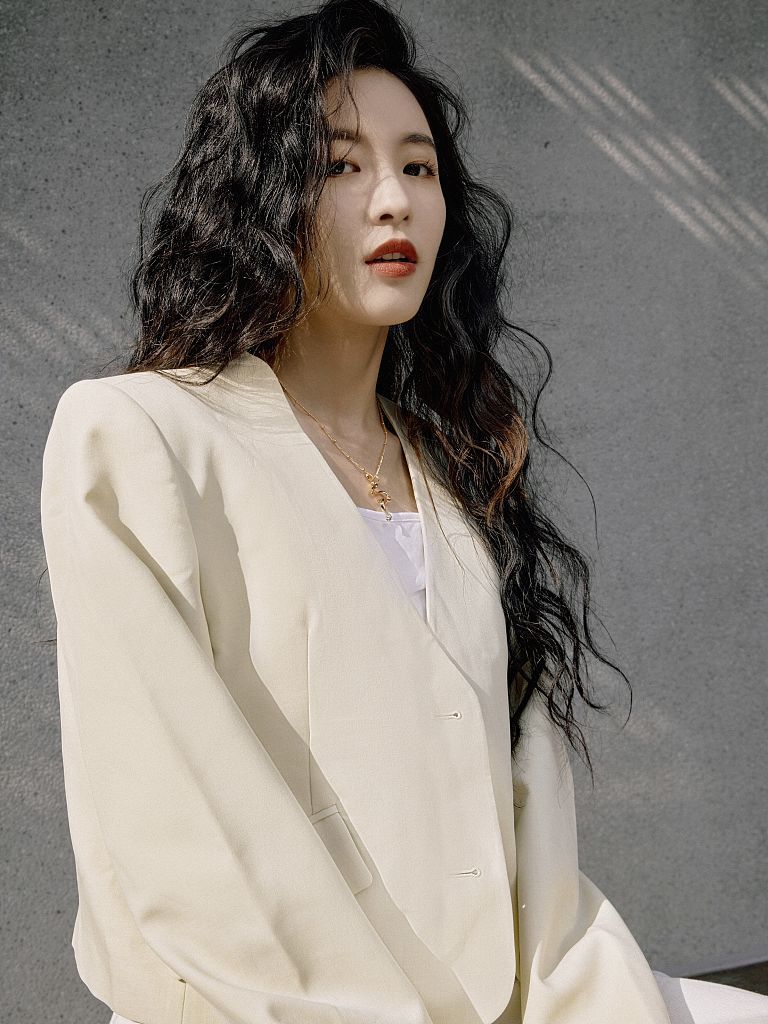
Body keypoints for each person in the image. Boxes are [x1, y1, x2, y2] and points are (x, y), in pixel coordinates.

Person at [39, 2, 768, 1023]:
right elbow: (171, 822)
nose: (395, 200)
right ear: (258, 192)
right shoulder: (139, 435)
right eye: (340, 164)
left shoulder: (457, 471)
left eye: (419, 167)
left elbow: (526, 825)